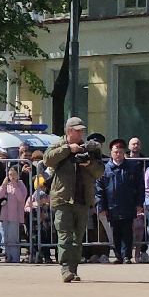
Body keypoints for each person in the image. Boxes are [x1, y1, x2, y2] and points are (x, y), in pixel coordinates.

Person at [44, 117, 104, 283]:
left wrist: (88, 164)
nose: (80, 133)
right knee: (65, 235)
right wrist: (68, 149)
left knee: (78, 238)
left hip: (82, 199)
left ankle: (73, 269)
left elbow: (100, 171)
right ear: (69, 131)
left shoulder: (90, 148)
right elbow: (47, 159)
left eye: (81, 131)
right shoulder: (58, 145)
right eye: (77, 130)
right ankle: (65, 269)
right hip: (63, 198)